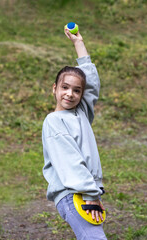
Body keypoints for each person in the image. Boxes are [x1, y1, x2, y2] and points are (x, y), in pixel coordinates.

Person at [42, 26, 107, 240]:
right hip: (73, 194)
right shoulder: (54, 121)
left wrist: (78, 43)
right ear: (55, 89)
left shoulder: (81, 113)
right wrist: (90, 194)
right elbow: (70, 163)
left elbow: (91, 84)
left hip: (85, 191)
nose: (70, 94)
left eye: (76, 90)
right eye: (65, 88)